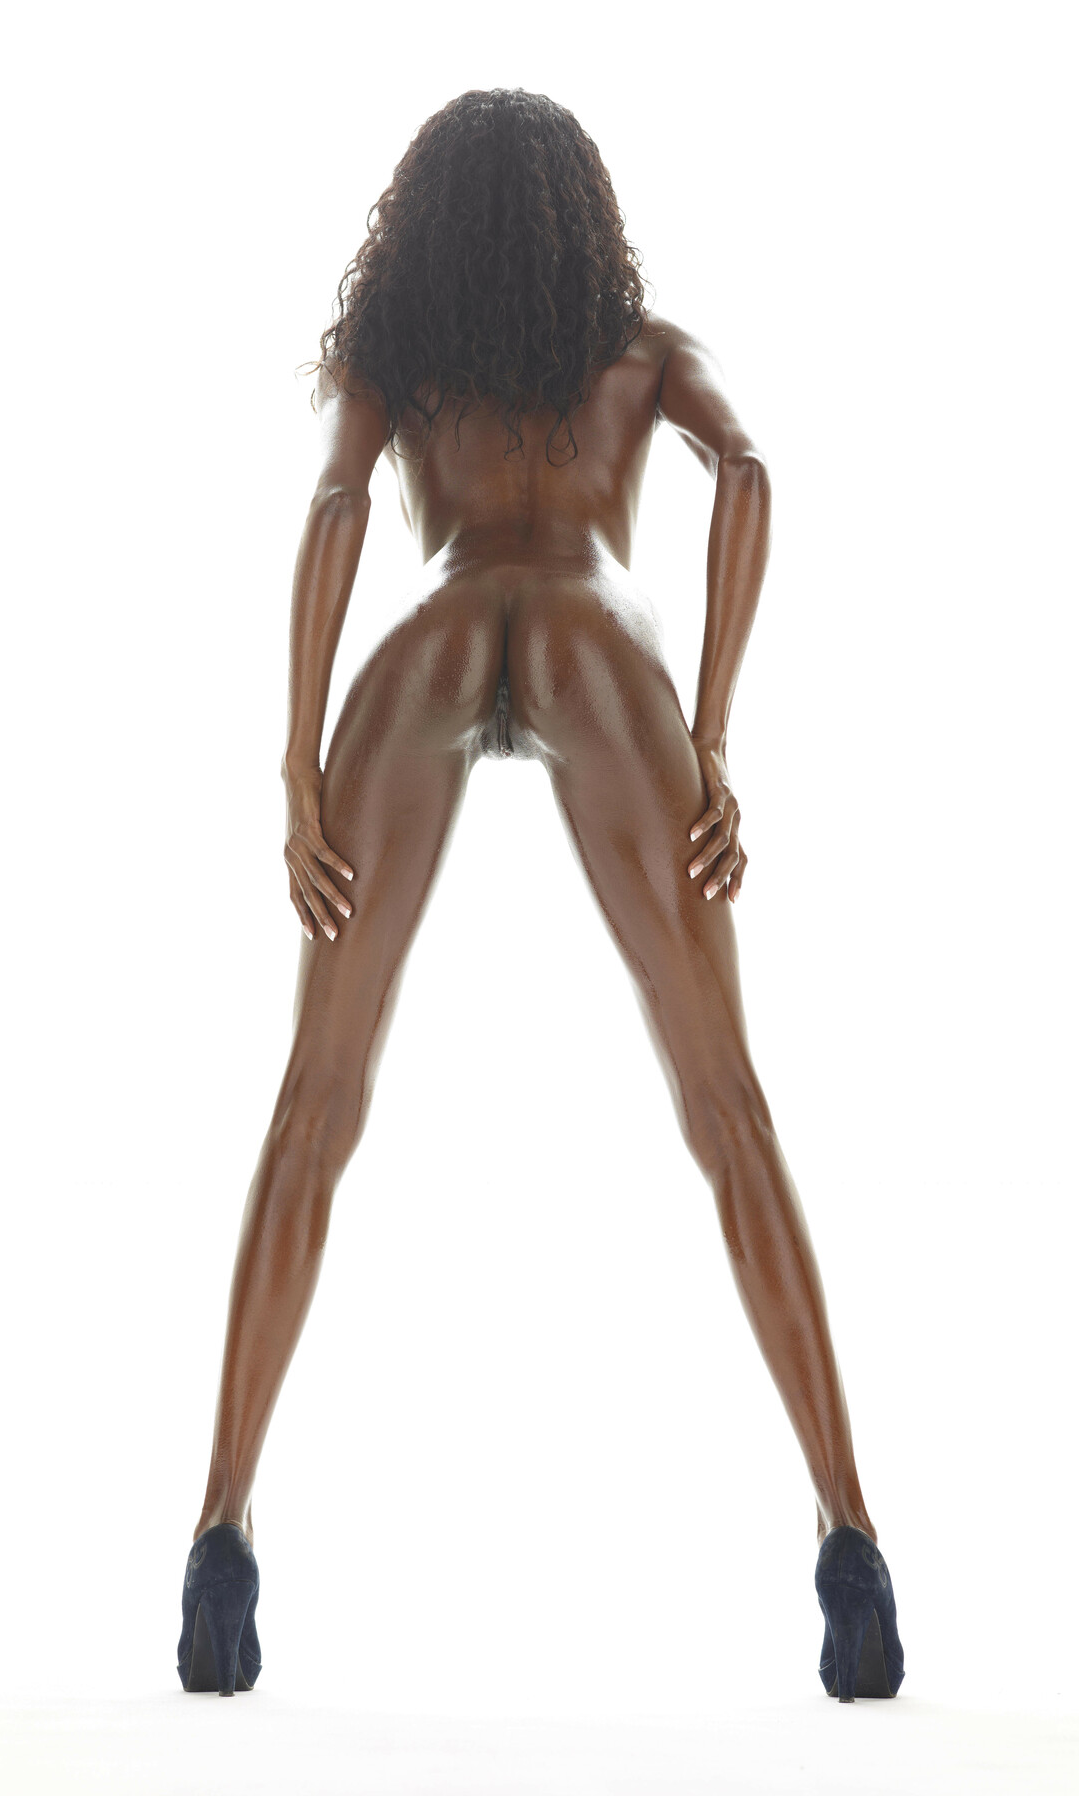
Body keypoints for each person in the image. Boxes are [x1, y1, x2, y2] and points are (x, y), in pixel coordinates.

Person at [175, 89, 905, 1704]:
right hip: (594, 639)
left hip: (428, 643)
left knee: (317, 1101)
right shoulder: (639, 352)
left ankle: (219, 1535)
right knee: (725, 1103)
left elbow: (336, 509)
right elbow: (750, 473)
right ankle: (851, 1542)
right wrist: (711, 732)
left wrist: (295, 761)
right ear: (584, 216)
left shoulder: (401, 360)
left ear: (426, 221)